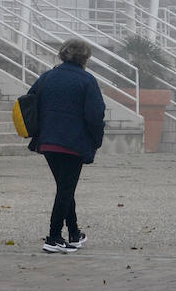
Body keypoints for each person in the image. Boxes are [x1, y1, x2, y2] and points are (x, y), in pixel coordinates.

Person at [27, 38, 105, 253]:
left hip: (48, 142)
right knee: (65, 189)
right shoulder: (87, 81)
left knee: (64, 188)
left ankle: (74, 232)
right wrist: (96, 140)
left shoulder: (47, 77)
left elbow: (30, 100)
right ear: (85, 58)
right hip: (73, 143)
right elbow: (95, 115)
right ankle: (53, 237)